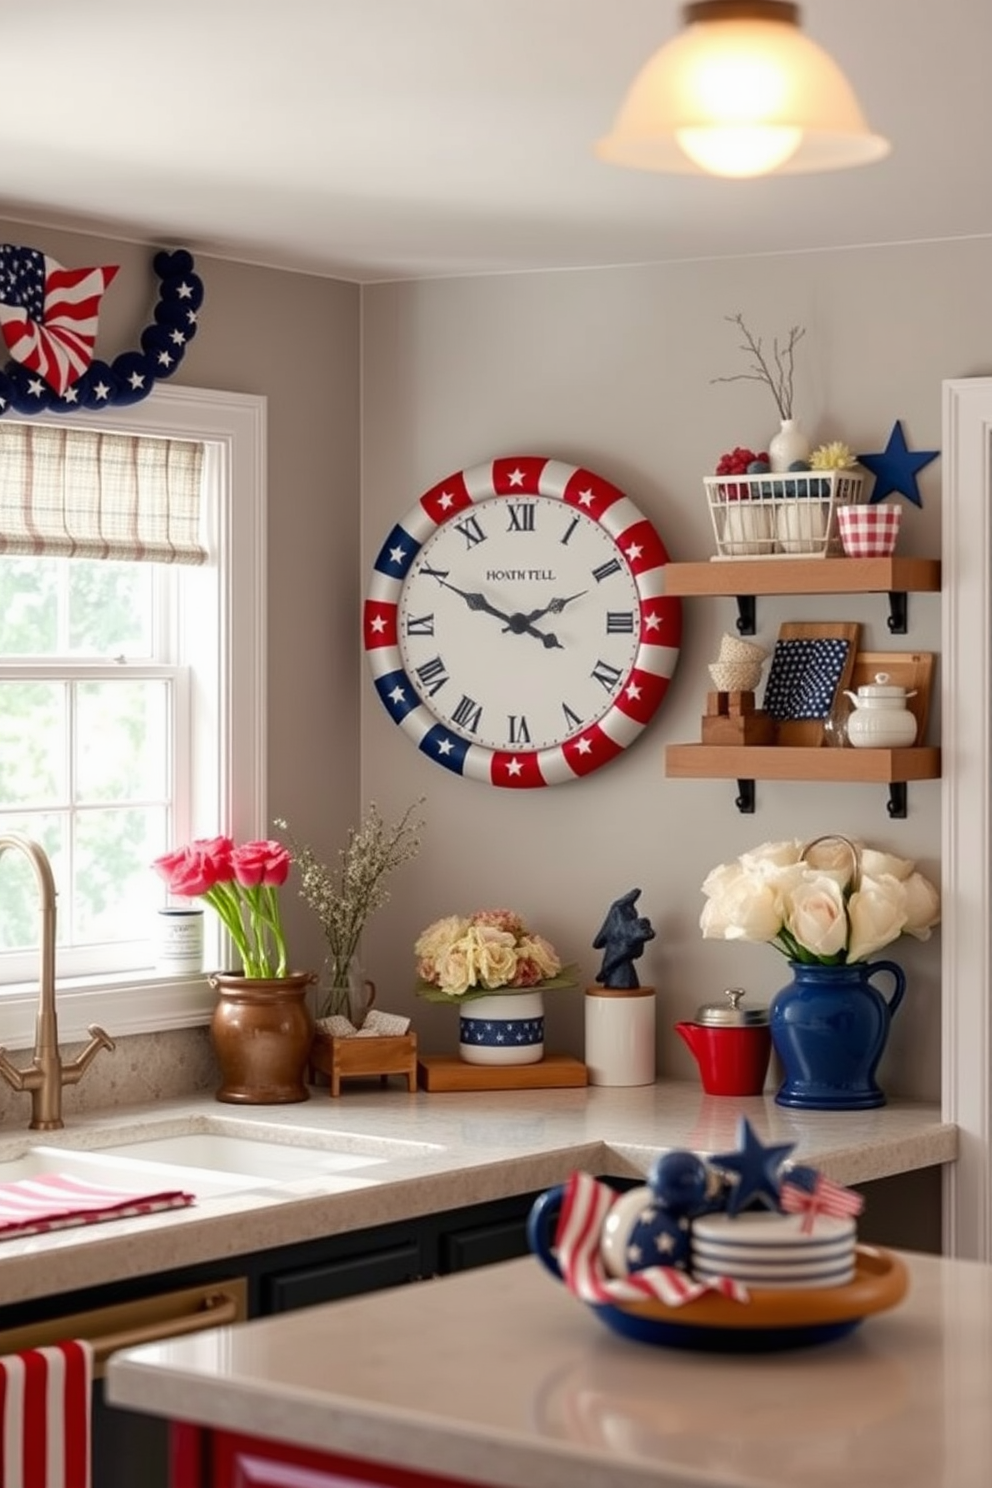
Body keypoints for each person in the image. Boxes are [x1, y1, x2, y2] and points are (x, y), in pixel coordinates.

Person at [592, 888, 655, 989]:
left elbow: (598, 942)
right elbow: (598, 942)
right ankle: (606, 971)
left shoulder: (628, 923)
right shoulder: (618, 915)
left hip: (620, 961)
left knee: (617, 963)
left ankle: (605, 971)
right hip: (618, 963)